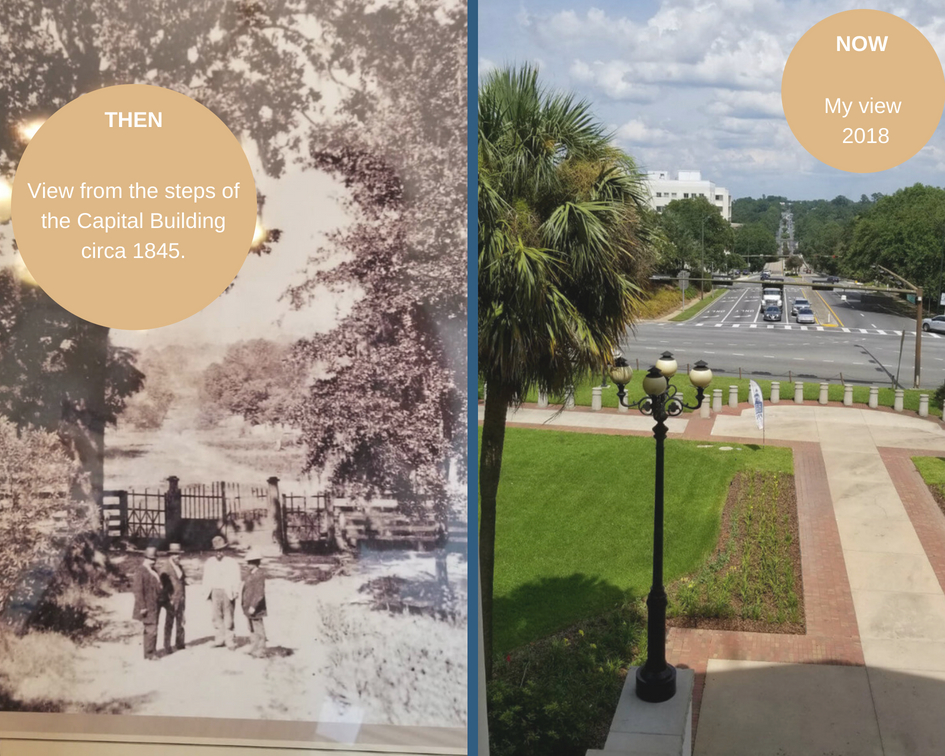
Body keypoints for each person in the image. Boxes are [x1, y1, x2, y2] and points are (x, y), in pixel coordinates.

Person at [201, 535, 241, 649]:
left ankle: (230, 640)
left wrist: (235, 591)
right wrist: (206, 592)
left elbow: (236, 578)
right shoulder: (210, 562)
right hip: (214, 591)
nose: (219, 553)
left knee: (228, 616)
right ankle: (219, 638)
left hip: (227, 591)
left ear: (225, 550)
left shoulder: (231, 562)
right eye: (216, 551)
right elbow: (206, 578)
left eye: (221, 550)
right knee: (216, 616)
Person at [131, 546, 163, 660]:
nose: (153, 561)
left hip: (154, 604)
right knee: (151, 629)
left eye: (155, 559)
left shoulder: (152, 570)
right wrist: (142, 606)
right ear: (145, 558)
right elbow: (137, 590)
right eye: (151, 559)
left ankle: (148, 652)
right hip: (147, 606)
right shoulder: (141, 571)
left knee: (151, 628)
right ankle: (151, 653)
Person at [240, 548, 267, 658]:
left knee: (258, 629)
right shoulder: (250, 573)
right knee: (251, 628)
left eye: (250, 562)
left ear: (255, 563)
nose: (247, 564)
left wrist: (253, 606)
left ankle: (261, 650)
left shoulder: (259, 574)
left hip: (256, 607)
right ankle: (254, 647)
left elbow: (259, 593)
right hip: (248, 605)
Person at [160, 542, 187, 654]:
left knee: (181, 621)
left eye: (179, 554)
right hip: (171, 599)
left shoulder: (179, 566)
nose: (177, 556)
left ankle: (180, 643)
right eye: (175, 554)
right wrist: (168, 598)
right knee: (169, 623)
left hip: (181, 598)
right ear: (170, 555)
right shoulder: (165, 568)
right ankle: (167, 646)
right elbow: (163, 585)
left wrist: (186, 581)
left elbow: (181, 579)